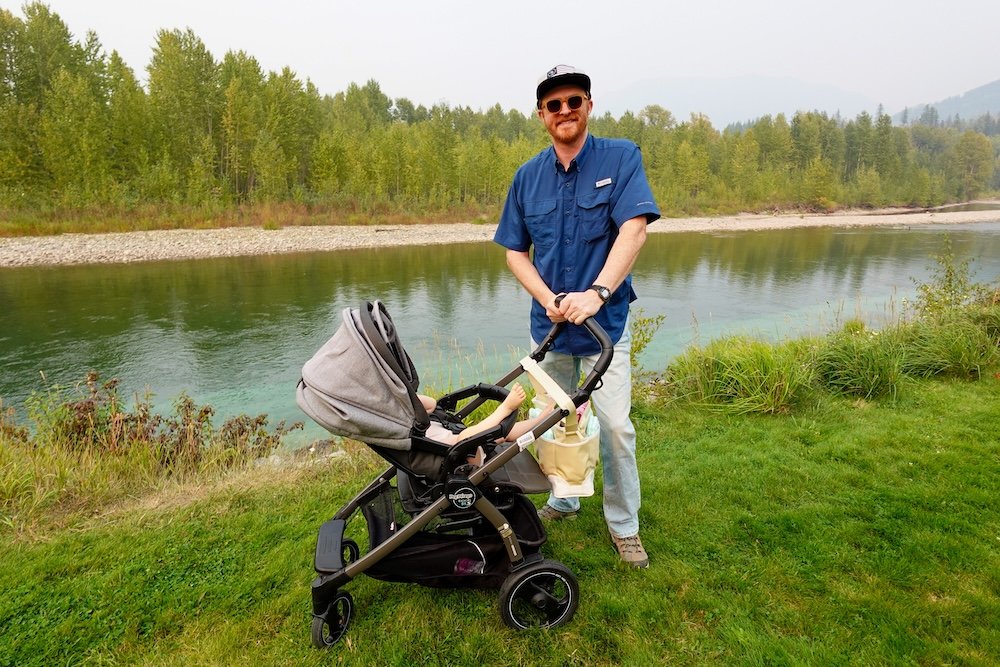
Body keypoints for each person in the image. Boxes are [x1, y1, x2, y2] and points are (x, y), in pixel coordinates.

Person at [493, 65, 661, 569]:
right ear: (541, 115)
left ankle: (624, 525)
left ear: (588, 105)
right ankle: (563, 498)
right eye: (553, 105)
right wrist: (547, 295)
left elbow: (634, 230)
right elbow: (514, 253)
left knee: (614, 428)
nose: (564, 111)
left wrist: (598, 292)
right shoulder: (527, 176)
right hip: (549, 330)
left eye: (573, 101)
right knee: (548, 422)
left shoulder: (621, 156)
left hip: (604, 328)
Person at [418, 383, 547, 447]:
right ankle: (505, 408)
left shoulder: (407, 415)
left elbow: (432, 405)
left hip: (454, 441)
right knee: (465, 437)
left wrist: (409, 397)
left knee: (504, 433)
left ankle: (542, 419)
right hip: (458, 453)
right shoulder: (402, 428)